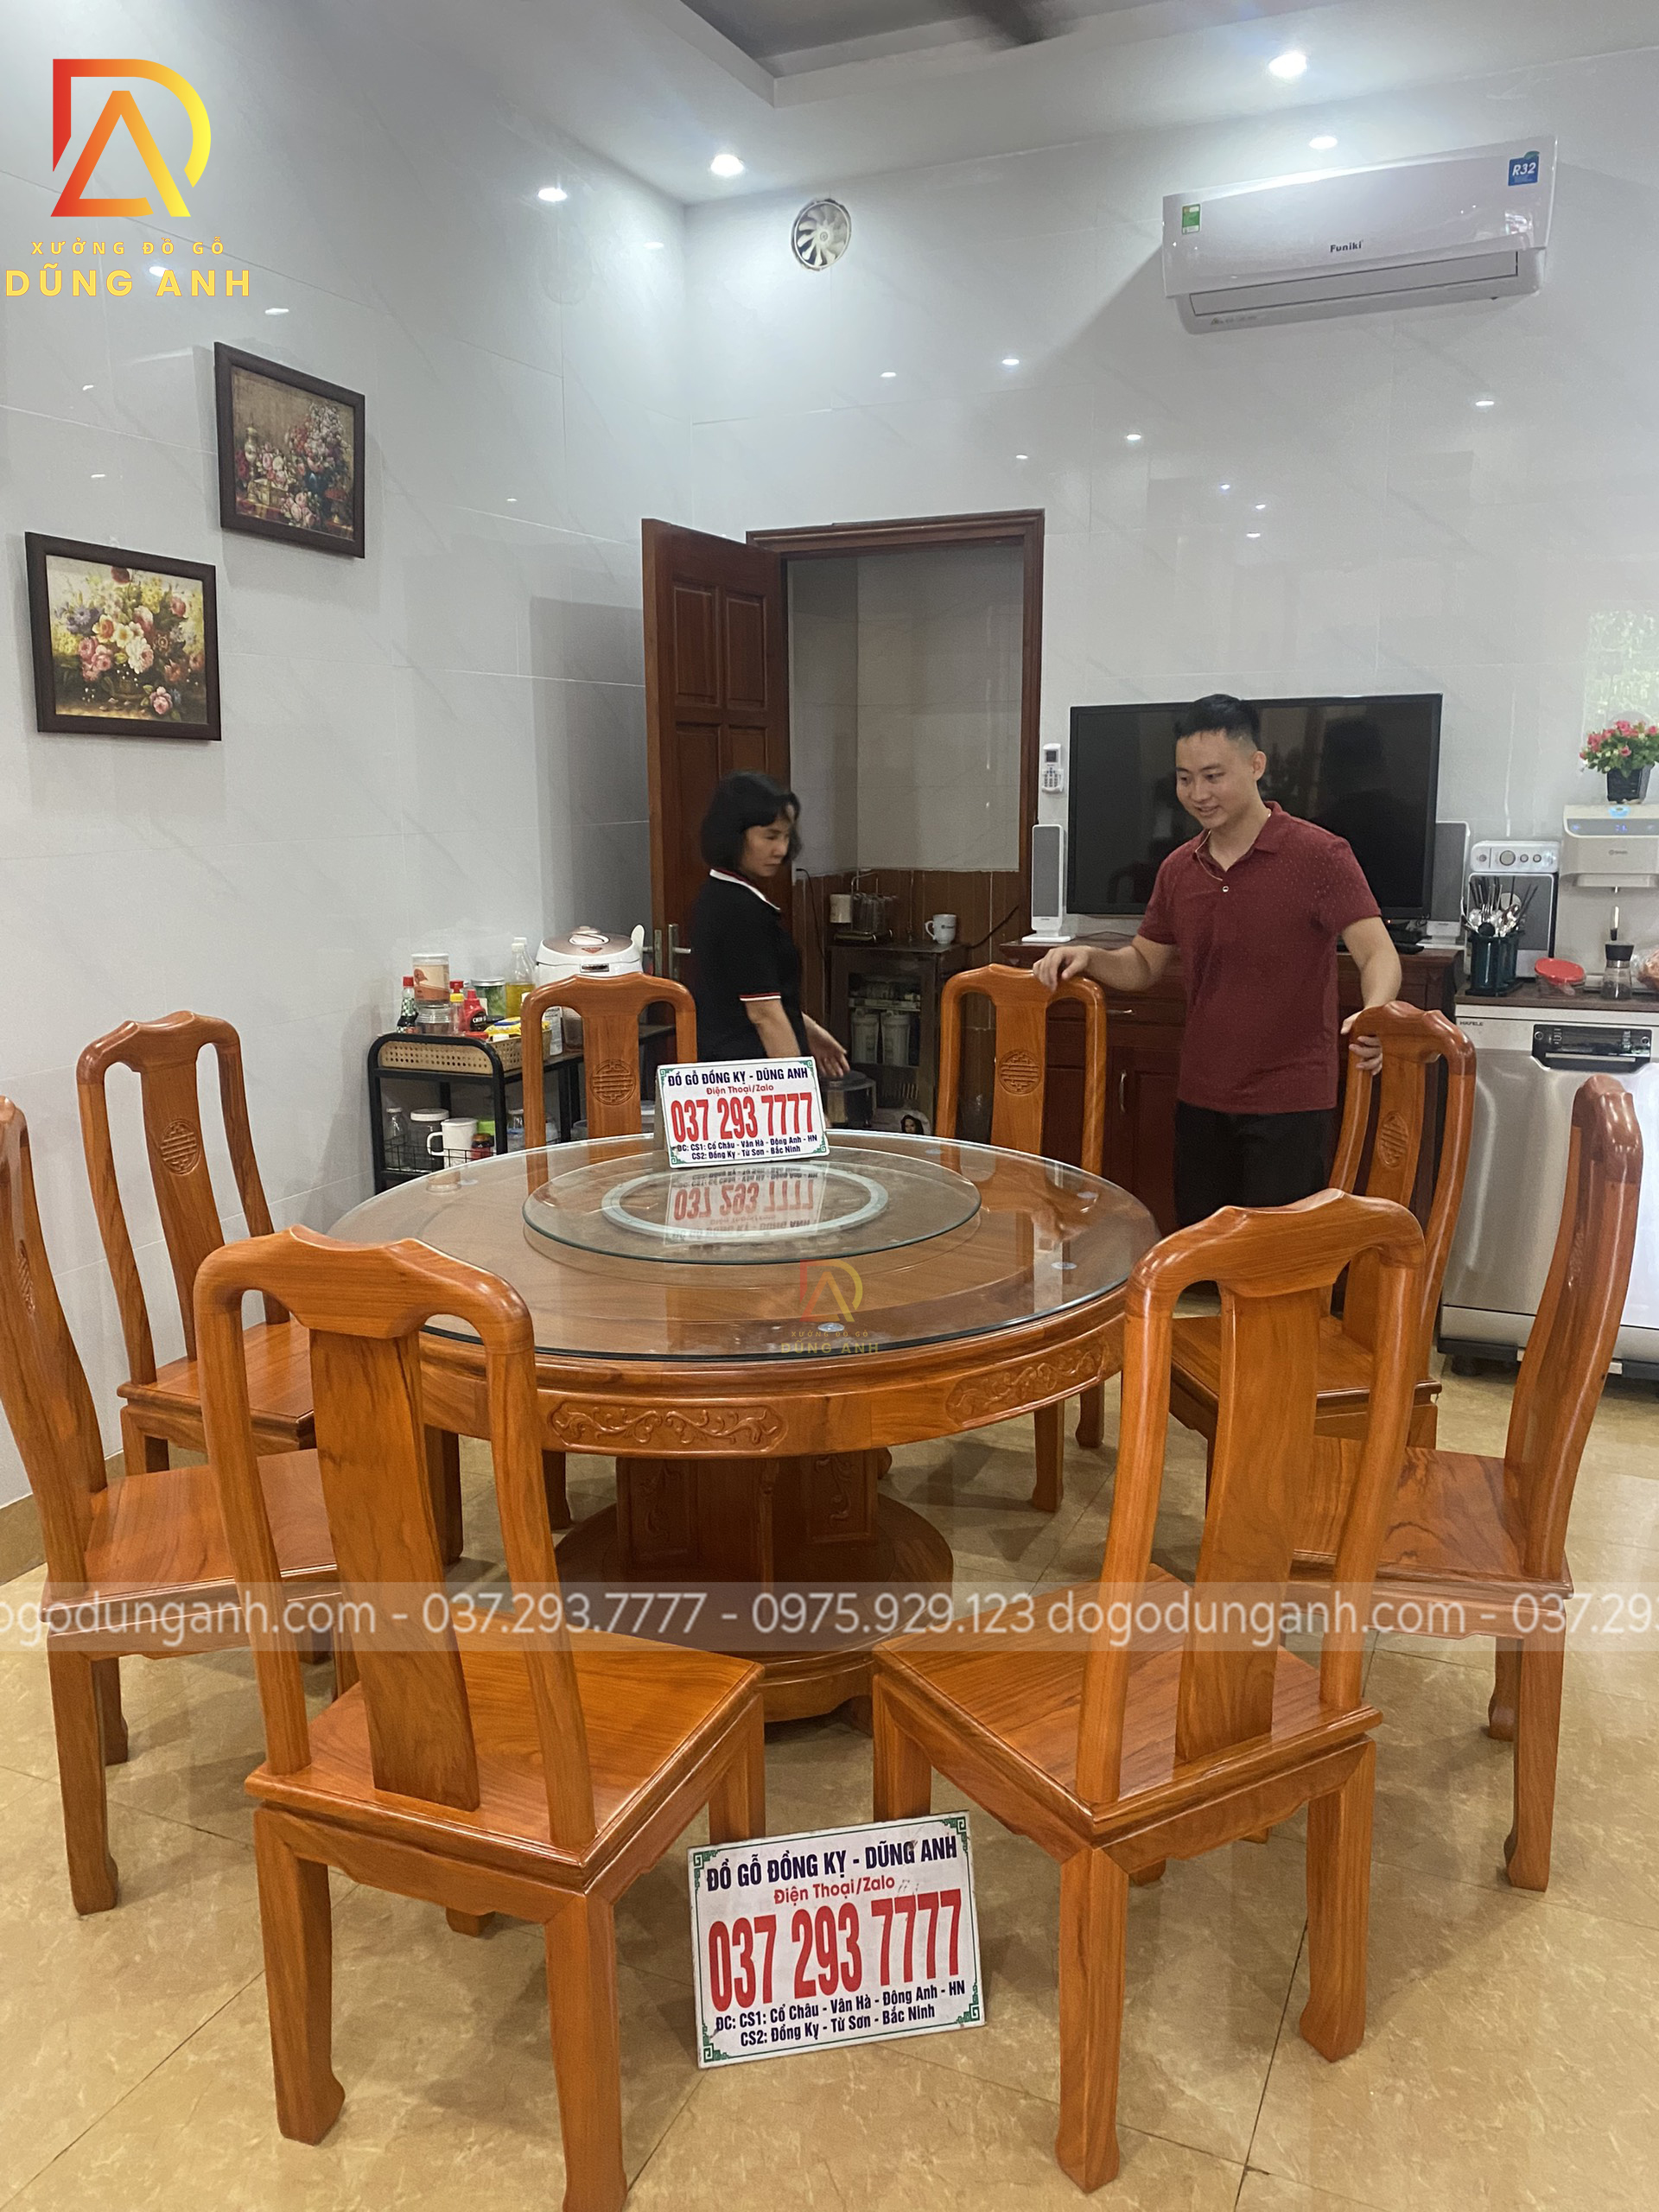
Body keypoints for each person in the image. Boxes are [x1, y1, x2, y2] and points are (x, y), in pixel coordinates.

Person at [1037, 693, 1402, 1224]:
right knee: (1202, 1252)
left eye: (1214, 776)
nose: (1199, 794)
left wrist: (1376, 1014)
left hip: (1291, 1100)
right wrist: (1089, 955)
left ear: (1256, 765)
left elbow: (1378, 954)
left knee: (1274, 1260)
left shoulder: (1320, 854)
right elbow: (1143, 966)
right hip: (1202, 1095)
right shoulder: (1178, 868)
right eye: (1185, 779)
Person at [690, 772, 849, 1076]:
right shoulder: (740, 908)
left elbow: (750, 991)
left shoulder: (720, 894)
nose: (781, 850)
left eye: (786, 837)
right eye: (770, 836)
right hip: (749, 1075)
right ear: (736, 835)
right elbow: (764, 1013)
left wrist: (808, 1029)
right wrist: (798, 1090)